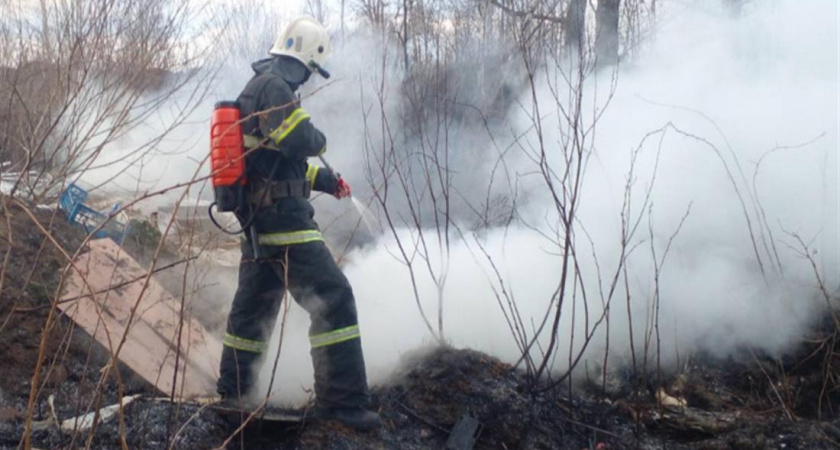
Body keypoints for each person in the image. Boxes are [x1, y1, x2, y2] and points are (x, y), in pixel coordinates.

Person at [215, 16, 381, 431]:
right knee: (333, 296)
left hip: (259, 223)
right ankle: (342, 402)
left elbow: (276, 165)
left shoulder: (257, 87)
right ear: (306, 60)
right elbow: (298, 139)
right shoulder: (274, 87)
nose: (308, 80)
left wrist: (323, 180)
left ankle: (234, 393)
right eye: (311, 71)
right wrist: (319, 140)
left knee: (253, 311)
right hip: (284, 222)